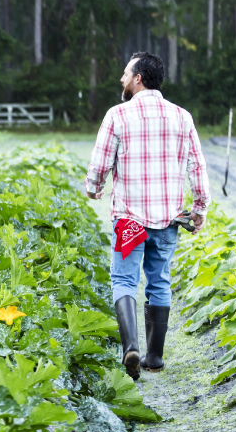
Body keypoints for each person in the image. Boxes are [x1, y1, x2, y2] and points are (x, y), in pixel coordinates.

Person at [84, 51, 209, 381]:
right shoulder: (182, 117)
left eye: (125, 73)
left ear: (138, 78)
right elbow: (197, 166)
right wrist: (199, 208)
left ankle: (131, 348)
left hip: (129, 219)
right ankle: (154, 357)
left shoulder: (118, 116)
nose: (121, 79)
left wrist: (94, 186)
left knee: (124, 280)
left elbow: (99, 165)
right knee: (160, 280)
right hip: (167, 217)